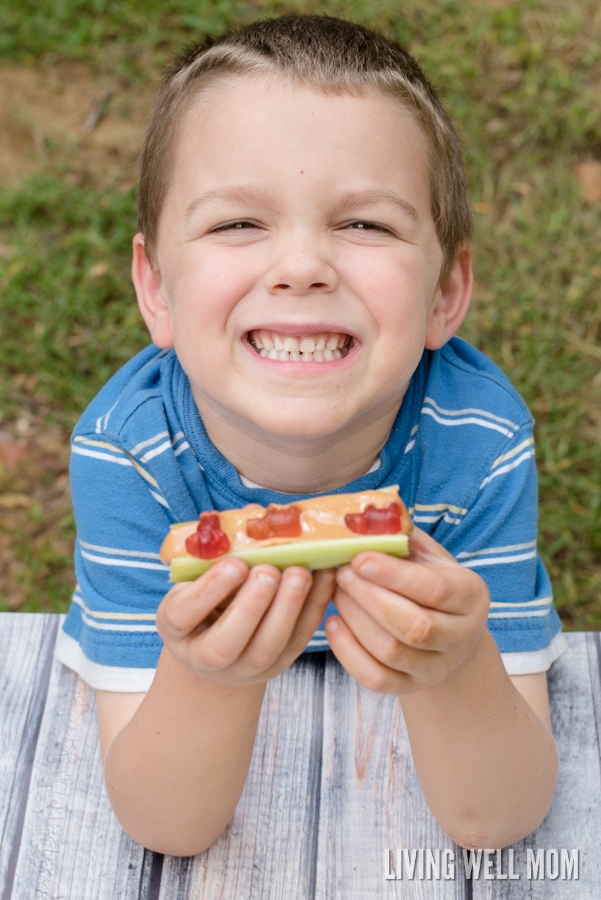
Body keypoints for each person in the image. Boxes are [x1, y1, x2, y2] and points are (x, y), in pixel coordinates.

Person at [55, 14, 566, 856]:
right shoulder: (130, 453)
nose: (301, 266)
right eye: (236, 224)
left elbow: (496, 821)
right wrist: (208, 677)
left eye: (364, 224)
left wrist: (459, 663)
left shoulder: (477, 439)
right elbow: (168, 829)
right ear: (156, 289)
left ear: (445, 291)